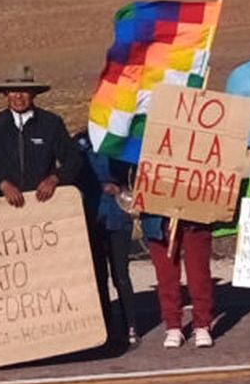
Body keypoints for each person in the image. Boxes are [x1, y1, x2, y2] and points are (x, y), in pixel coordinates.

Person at [0, 66, 82, 207]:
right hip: (4, 206)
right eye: (13, 91)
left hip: (47, 204)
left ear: (33, 93)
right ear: (5, 94)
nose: (18, 96)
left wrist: (55, 178)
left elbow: (73, 159)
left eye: (24, 90)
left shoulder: (51, 123)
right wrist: (1, 184)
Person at [74, 130, 139, 347]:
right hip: (91, 214)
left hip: (118, 214)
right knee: (98, 274)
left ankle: (131, 324)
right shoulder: (79, 142)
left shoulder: (122, 139)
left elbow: (136, 172)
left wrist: (121, 187)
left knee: (120, 273)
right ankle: (104, 326)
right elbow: (70, 172)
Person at [143, 215, 215, 349]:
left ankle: (202, 324)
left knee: (199, 273)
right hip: (158, 218)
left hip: (196, 217)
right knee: (166, 276)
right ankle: (172, 326)